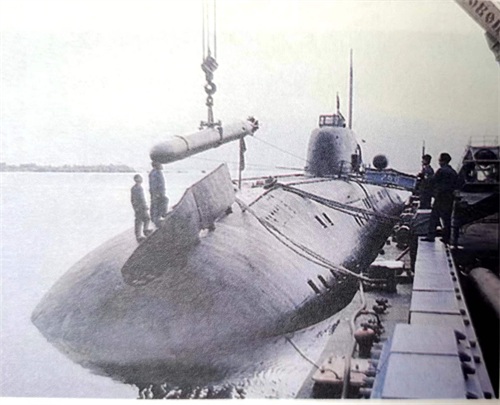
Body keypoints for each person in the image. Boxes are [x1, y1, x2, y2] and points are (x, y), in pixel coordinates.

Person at [422, 152, 458, 244]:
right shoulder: (453, 172)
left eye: (439, 160)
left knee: (434, 217)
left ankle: (431, 236)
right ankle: (447, 238)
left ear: (442, 161)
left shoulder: (441, 171)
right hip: (449, 198)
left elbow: (432, 181)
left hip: (440, 197)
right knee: (447, 219)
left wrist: (424, 179)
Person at [131, 174, 152, 242]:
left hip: (138, 207)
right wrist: (144, 206)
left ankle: (144, 231)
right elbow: (140, 198)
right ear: (137, 179)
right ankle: (140, 235)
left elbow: (133, 199)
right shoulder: (138, 188)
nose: (141, 179)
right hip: (140, 207)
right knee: (141, 220)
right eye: (140, 178)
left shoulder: (135, 188)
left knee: (144, 219)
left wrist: (135, 207)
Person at [149, 161, 168, 228]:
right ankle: (157, 220)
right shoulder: (155, 173)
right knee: (157, 205)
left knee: (161, 203)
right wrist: (156, 193)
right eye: (160, 164)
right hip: (157, 193)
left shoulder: (157, 172)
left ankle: (160, 216)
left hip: (159, 192)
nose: (161, 165)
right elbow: (154, 184)